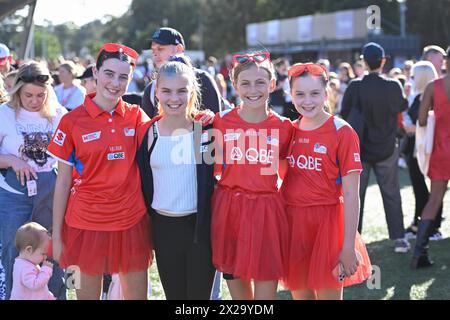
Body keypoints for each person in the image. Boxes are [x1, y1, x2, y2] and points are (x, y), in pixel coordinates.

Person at [47, 43, 153, 300]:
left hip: (130, 223)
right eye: (109, 73)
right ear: (95, 72)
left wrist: (202, 118)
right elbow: (62, 183)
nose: (115, 83)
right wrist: (58, 235)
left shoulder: (136, 115)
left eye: (123, 76)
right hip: (84, 226)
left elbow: (171, 131)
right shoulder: (71, 122)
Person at [280, 63, 372, 300]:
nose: (307, 100)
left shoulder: (342, 131)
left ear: (326, 93)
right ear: (290, 94)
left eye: (314, 93)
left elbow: (352, 194)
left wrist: (348, 247)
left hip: (328, 226)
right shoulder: (288, 131)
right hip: (292, 226)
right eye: (299, 94)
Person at [211, 51, 293, 300]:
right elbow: (211, 168)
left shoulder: (284, 127)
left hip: (267, 213)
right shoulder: (219, 122)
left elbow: (287, 175)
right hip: (229, 212)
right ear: (234, 85)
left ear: (272, 84)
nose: (252, 89)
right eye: (245, 83)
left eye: (260, 82)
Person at [136, 57, 216, 300]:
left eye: (182, 91)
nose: (174, 98)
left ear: (192, 92)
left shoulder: (205, 130)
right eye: (167, 91)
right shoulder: (148, 132)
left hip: (200, 230)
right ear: (156, 93)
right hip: (163, 228)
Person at [0, 61, 67, 300]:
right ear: (17, 90)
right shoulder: (4, 113)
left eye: (41, 95)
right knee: (13, 252)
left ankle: (57, 296)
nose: (35, 101)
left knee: (52, 249)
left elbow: (72, 155)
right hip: (13, 193)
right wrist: (11, 160)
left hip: (50, 189)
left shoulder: (59, 113)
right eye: (28, 95)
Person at [341, 42, 410, 253]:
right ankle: (399, 239)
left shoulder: (355, 86)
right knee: (391, 194)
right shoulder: (392, 85)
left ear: (363, 61)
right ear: (382, 61)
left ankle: (353, 240)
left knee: (355, 196)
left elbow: (344, 113)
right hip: (386, 148)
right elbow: (402, 107)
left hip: (359, 150)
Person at [411, 46, 450, 269]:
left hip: (441, 149)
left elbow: (422, 120)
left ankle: (419, 253)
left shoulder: (433, 87)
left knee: (434, 200)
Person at [141, 27, 222, 117]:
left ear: (178, 49)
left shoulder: (203, 79)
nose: (155, 53)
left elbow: (213, 126)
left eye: (160, 48)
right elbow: (149, 127)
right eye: (153, 50)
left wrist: (196, 128)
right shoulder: (151, 88)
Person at [402, 62, 440, 240]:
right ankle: (420, 225)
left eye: (414, 75)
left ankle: (429, 227)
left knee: (426, 190)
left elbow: (421, 122)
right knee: (423, 189)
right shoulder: (419, 96)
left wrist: (409, 125)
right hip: (420, 148)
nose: (410, 78)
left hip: (422, 148)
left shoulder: (425, 97)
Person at [10, 222, 55, 300]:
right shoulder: (24, 268)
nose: (45, 257)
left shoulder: (26, 263)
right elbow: (34, 284)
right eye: (43, 253)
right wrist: (46, 270)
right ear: (29, 250)